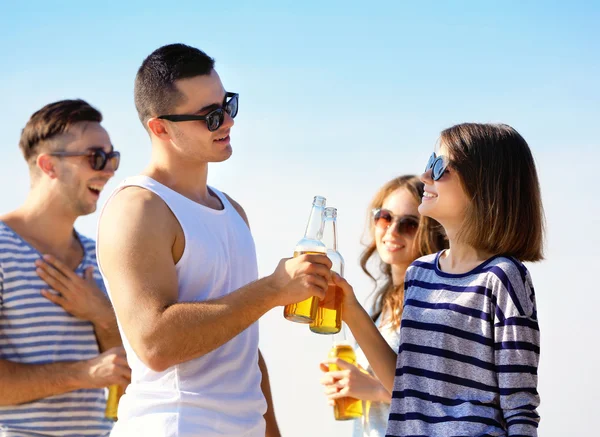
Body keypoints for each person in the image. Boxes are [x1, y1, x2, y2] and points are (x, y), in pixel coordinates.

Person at [96, 43, 331, 437]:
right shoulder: (138, 208)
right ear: (160, 127)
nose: (228, 122)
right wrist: (273, 290)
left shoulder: (233, 211)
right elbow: (154, 344)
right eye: (211, 116)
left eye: (229, 105)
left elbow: (240, 344)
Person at [333, 123, 544, 436]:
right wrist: (348, 306)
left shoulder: (502, 278)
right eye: (429, 162)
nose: (425, 176)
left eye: (440, 166)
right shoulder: (419, 273)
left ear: (482, 185)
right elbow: (406, 388)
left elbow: (519, 407)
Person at [0, 99, 130, 436]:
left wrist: (101, 313)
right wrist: (83, 374)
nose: (109, 170)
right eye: (95, 157)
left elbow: (128, 375)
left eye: (112, 157)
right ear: (49, 166)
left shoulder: (99, 256)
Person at [319, 175, 447, 436]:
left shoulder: (431, 300)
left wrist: (374, 389)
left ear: (431, 232)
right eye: (385, 217)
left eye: (409, 224)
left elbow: (441, 394)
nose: (392, 231)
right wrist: (349, 385)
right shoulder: (384, 307)